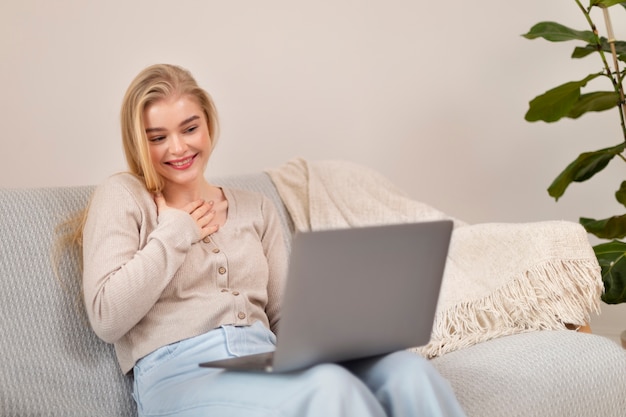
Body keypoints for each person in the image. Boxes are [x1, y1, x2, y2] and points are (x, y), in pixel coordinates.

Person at [81, 63, 467, 417]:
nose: (178, 147)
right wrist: (175, 232)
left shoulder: (256, 208)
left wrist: (348, 330)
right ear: (138, 143)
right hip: (180, 375)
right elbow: (106, 316)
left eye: (189, 128)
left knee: (407, 371)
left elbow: (286, 318)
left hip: (266, 361)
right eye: (158, 137)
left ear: (209, 126)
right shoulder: (123, 195)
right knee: (327, 390)